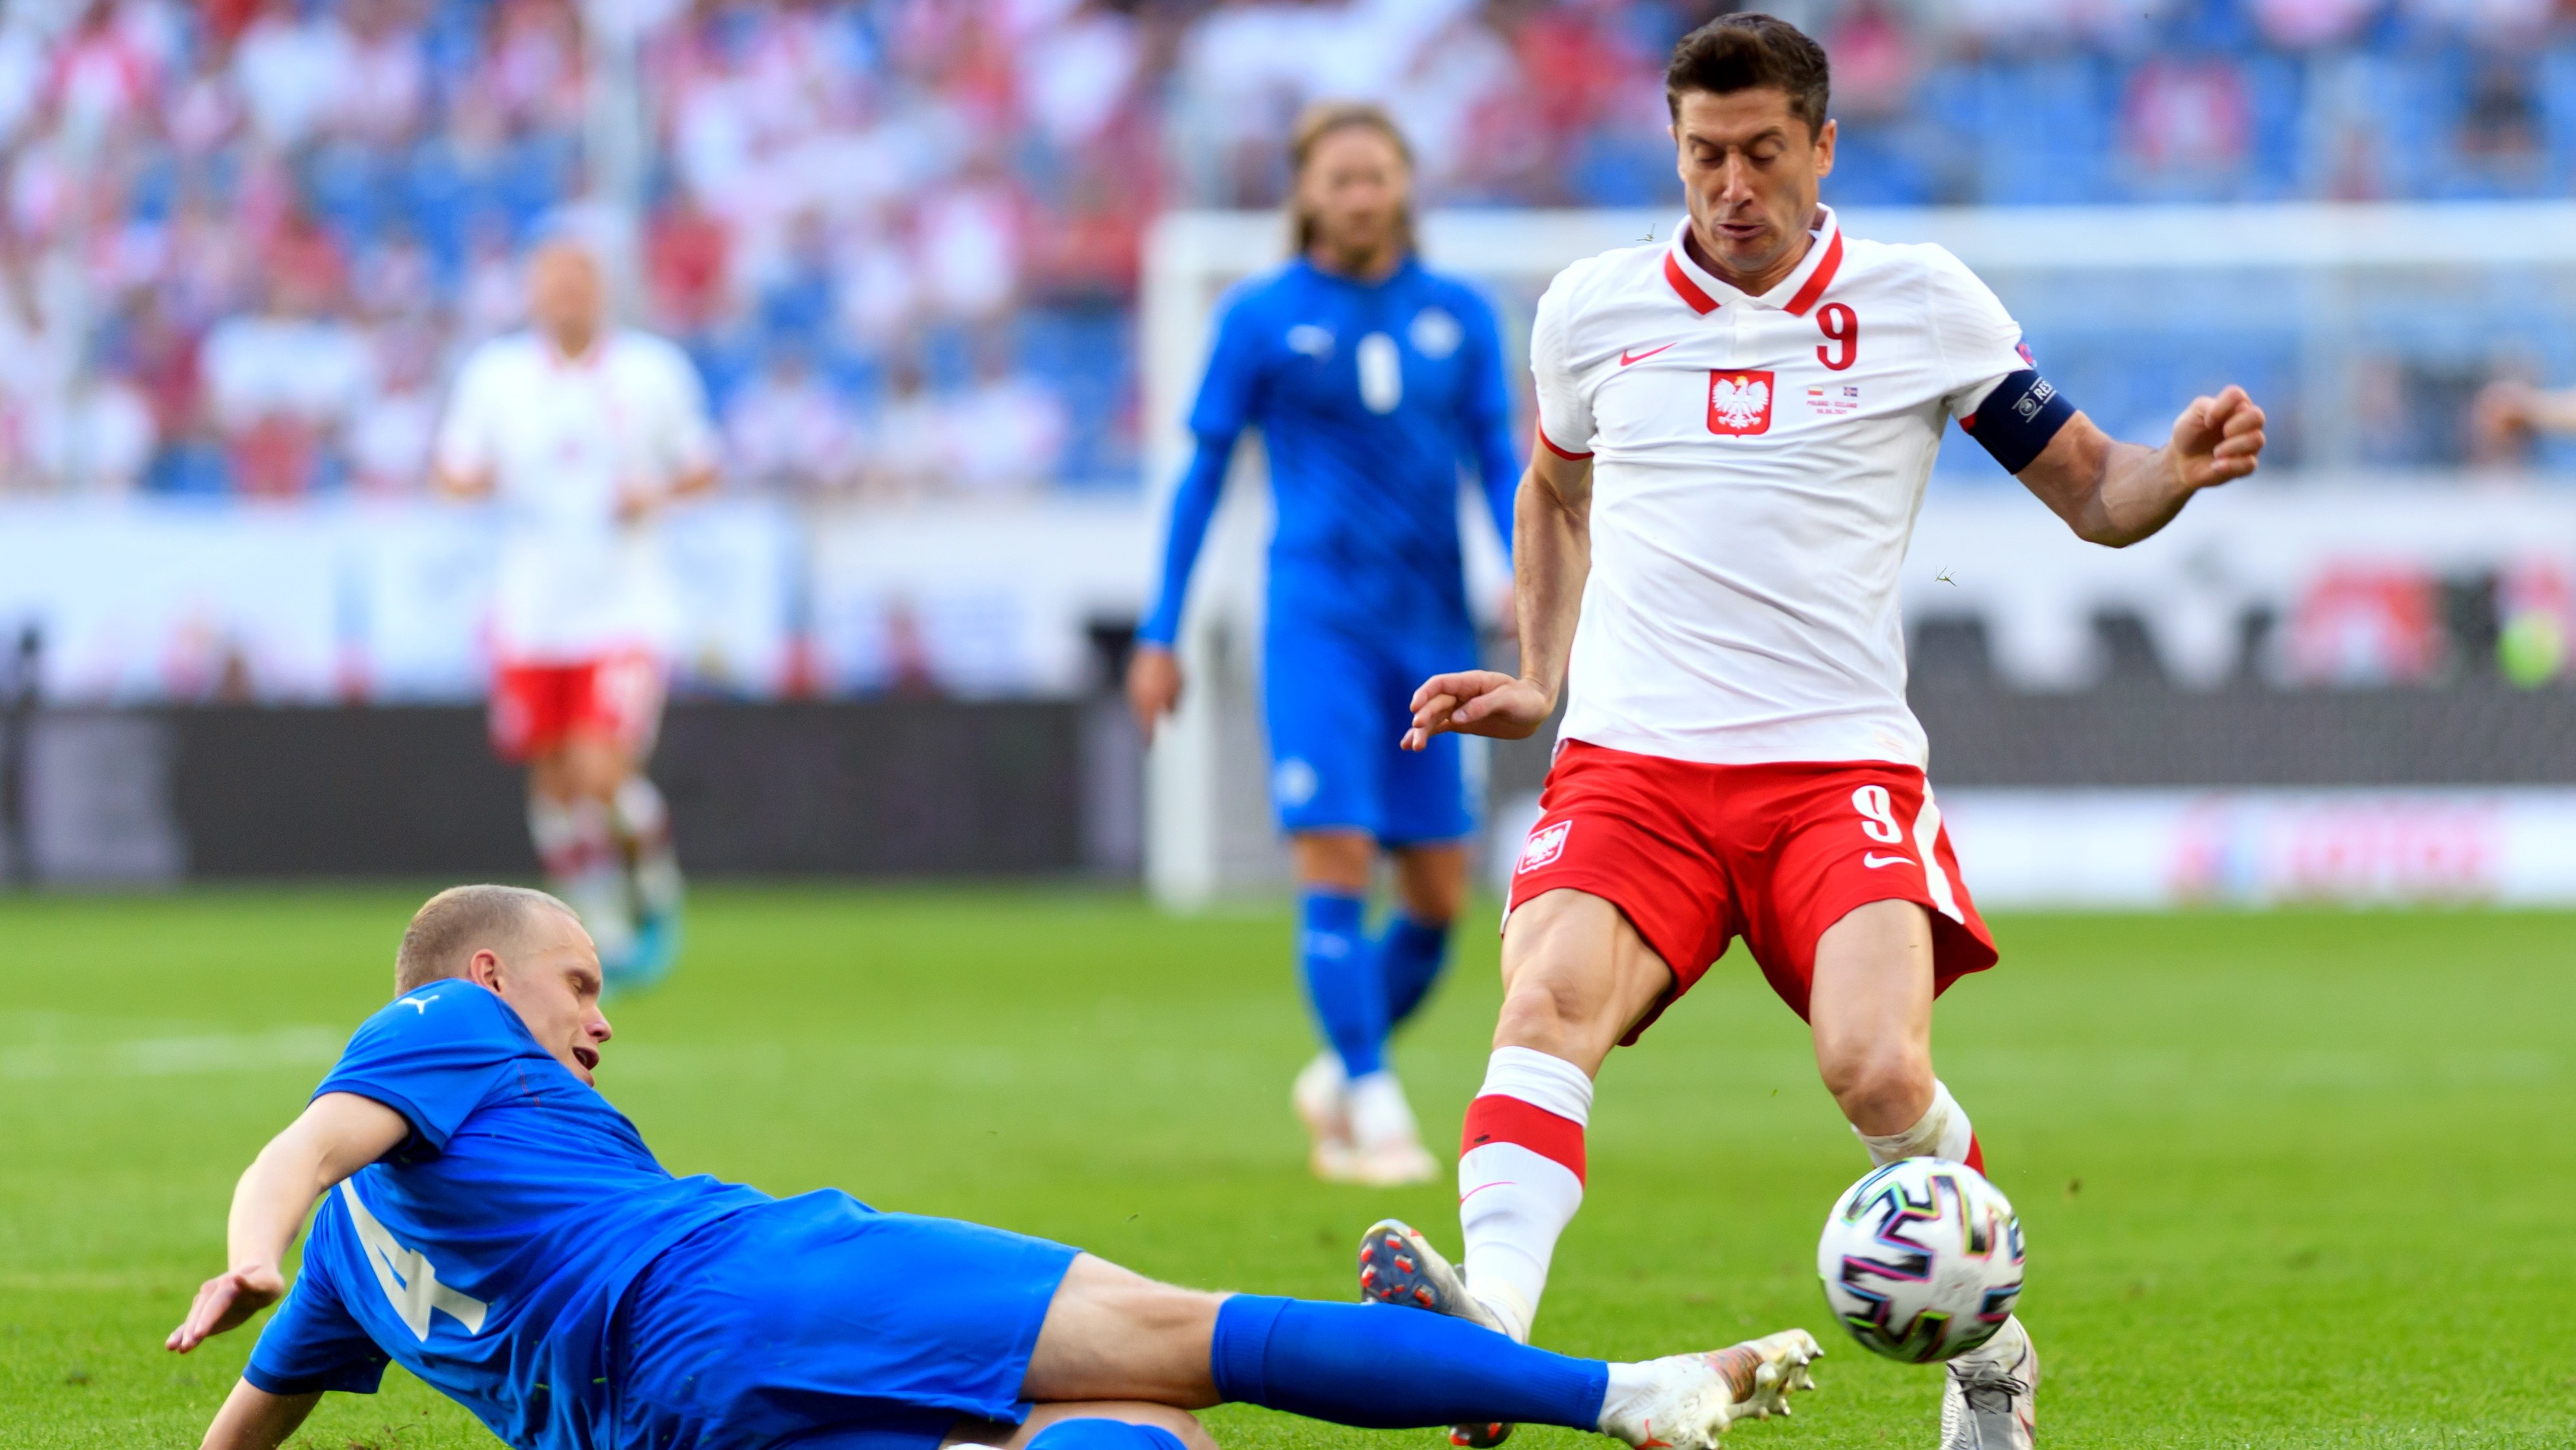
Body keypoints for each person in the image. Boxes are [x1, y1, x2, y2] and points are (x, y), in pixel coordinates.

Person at [1365, 16, 2267, 1450]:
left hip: (1832, 769)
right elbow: (1553, 491)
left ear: (1824, 146)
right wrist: (1539, 676)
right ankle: (1494, 1342)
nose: (1732, 185)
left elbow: (2097, 492)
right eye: (1702, 155)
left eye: (1763, 152)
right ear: (1673, 149)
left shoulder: (1922, 301)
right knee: (1541, 1008)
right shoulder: (1591, 307)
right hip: (1634, 765)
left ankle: (1993, 1353)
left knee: (1878, 1071)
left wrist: (2180, 471)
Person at [163, 884, 1823, 1450]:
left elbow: (252, 1421)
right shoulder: (444, 1030)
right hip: (735, 1287)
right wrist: (247, 1235)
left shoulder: (352, 1269)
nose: (598, 1022)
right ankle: (1629, 1394)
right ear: (484, 979)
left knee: (1143, 1436)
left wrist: (273, 1264)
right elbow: (302, 1146)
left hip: (666, 1425)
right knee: (1193, 1339)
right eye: (580, 984)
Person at [1126, 103, 1520, 1186]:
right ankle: (1376, 1104)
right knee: (1335, 853)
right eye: (1339, 178)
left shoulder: (1457, 313)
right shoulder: (1261, 316)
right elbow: (1202, 476)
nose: (1359, 196)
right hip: (1318, 625)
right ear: (1305, 192)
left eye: (1375, 176)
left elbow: (1496, 459)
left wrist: (1525, 576)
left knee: (1438, 895)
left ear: (1404, 185)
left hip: (1433, 627)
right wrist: (1161, 630)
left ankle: (1339, 1069)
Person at [432, 241, 717, 989]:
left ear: (604, 291)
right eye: (553, 284)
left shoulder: (651, 372)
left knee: (600, 767)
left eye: (580, 282)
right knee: (555, 783)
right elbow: (453, 471)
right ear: (533, 295)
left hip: (624, 609)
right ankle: (599, 925)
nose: (567, 296)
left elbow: (701, 466)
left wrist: (654, 493)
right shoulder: (496, 376)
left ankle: (653, 887)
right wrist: (476, 481)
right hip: (531, 615)